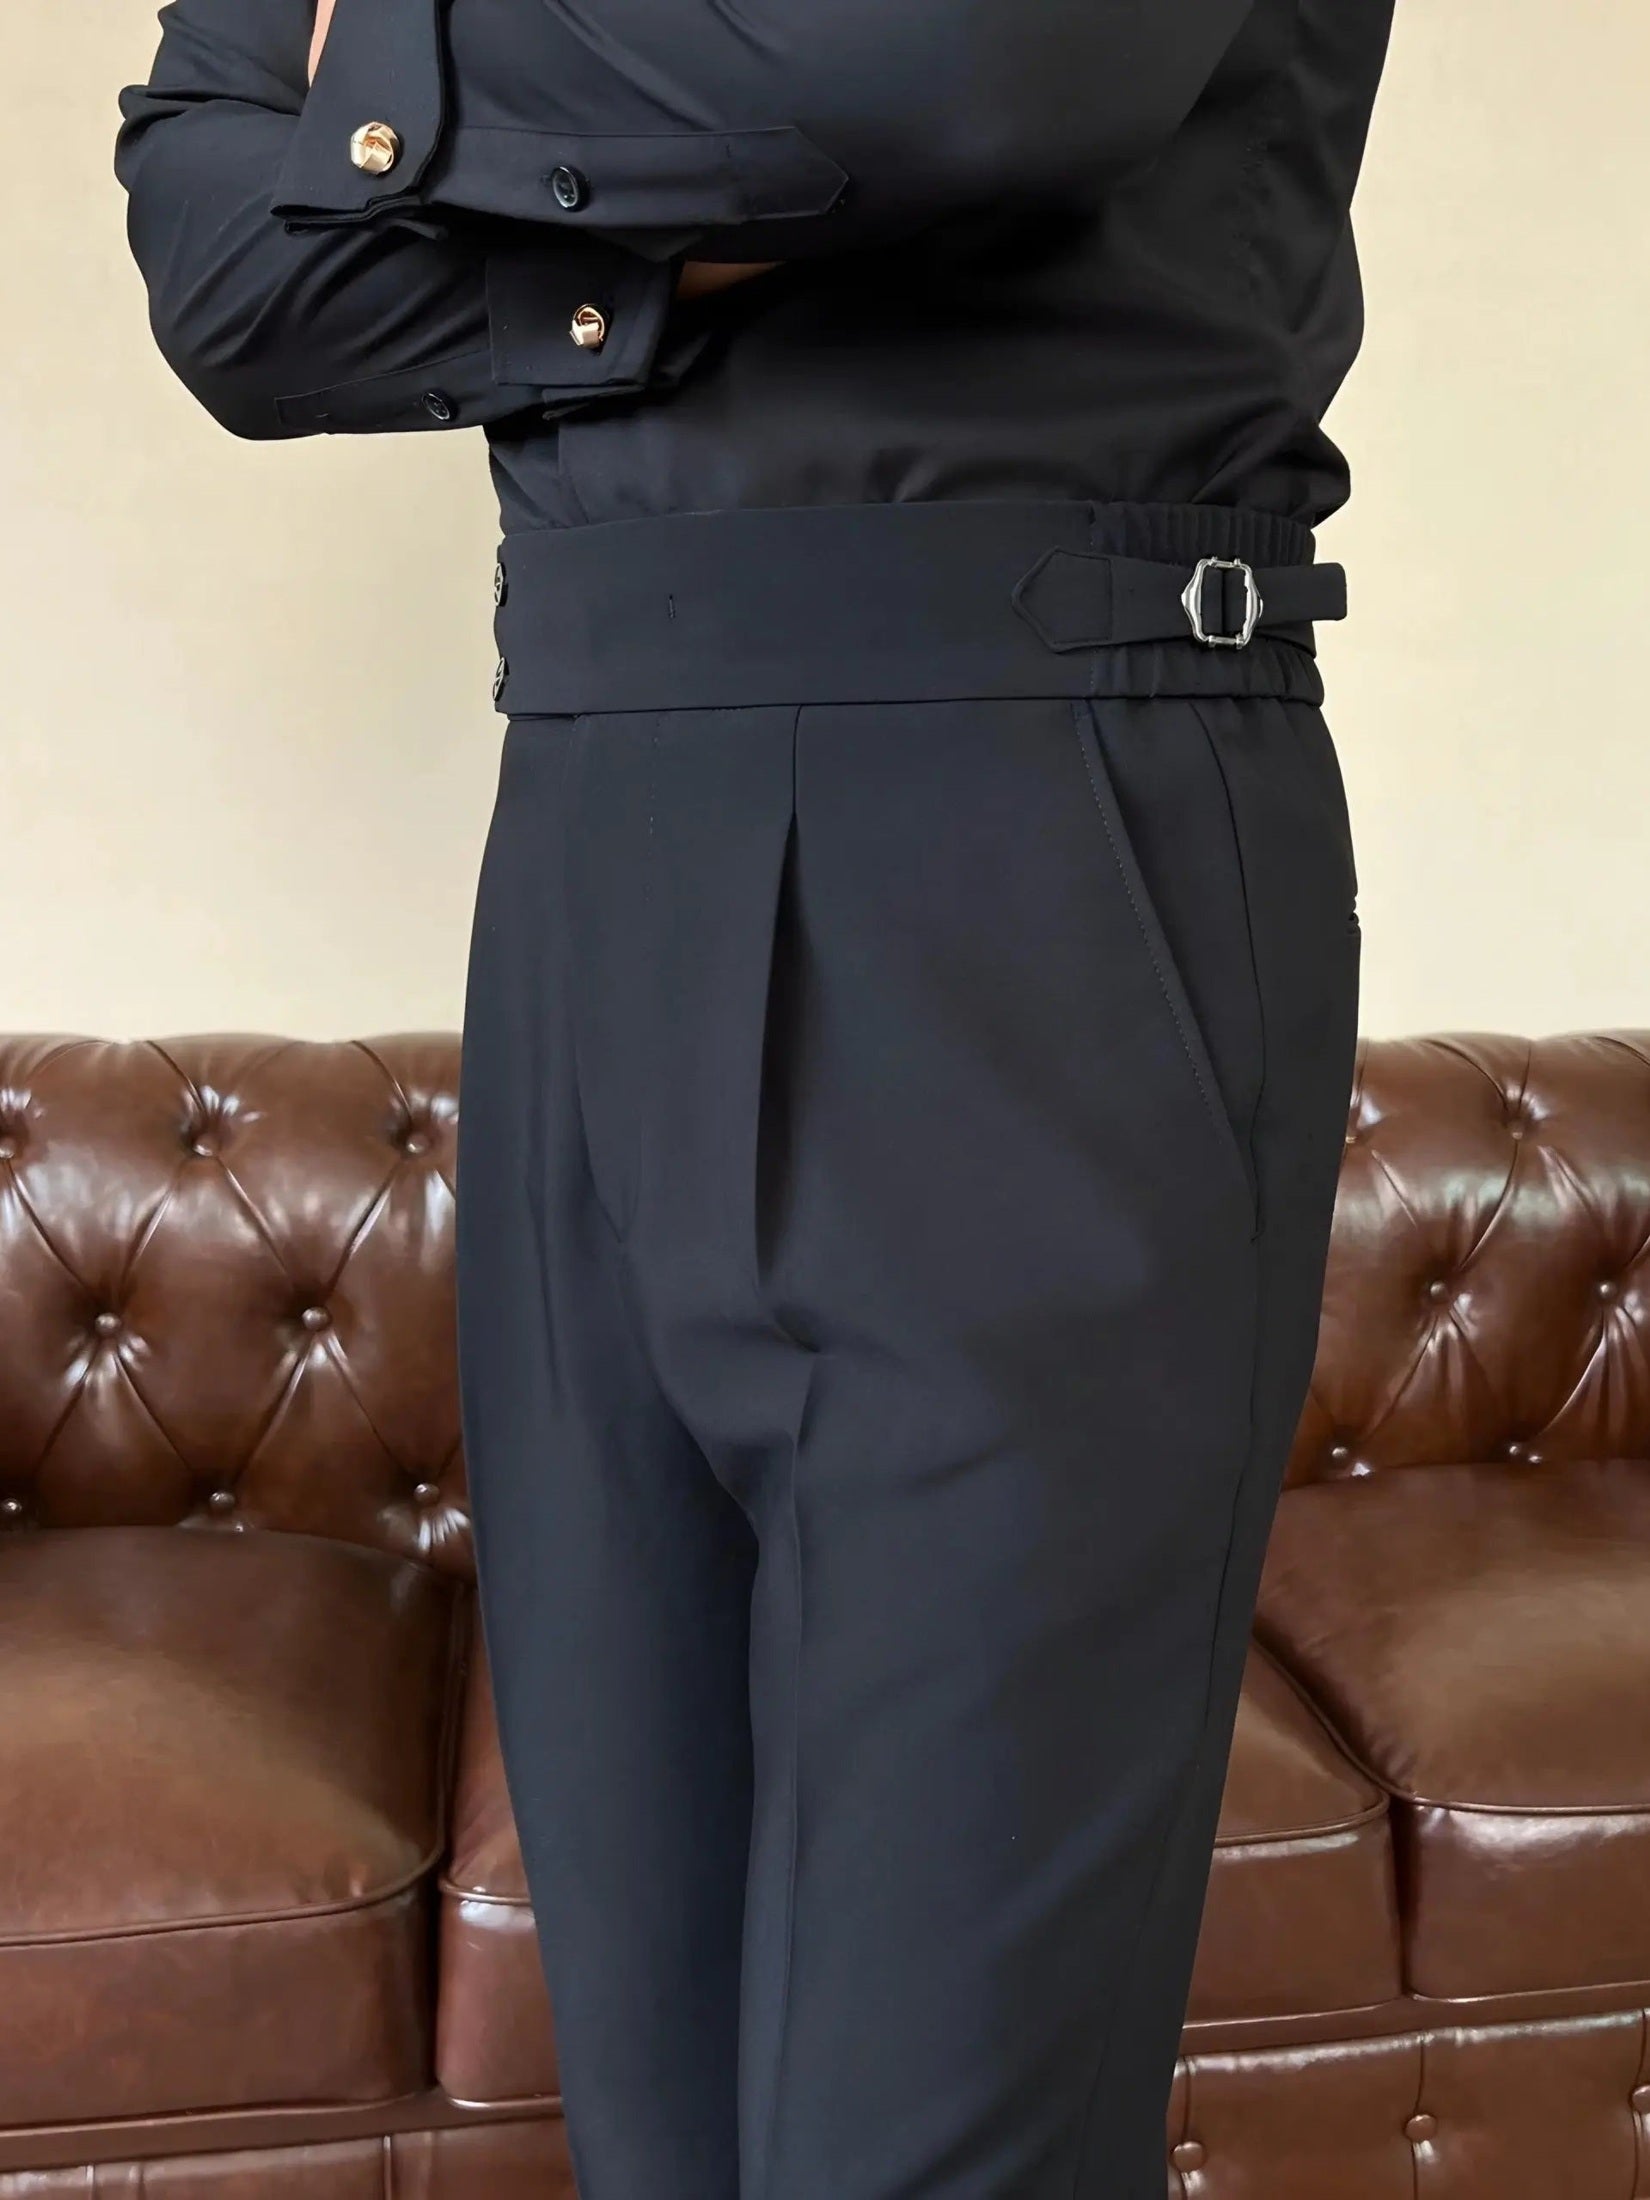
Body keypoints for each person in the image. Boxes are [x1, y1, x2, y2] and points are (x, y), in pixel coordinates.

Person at [115, 1, 1393, 2191]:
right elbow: (229, 269)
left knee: (937, 2136)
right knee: (660, 2110)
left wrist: (391, 91)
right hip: (588, 825)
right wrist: (713, 191)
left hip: (1031, 802)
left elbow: (970, 74)